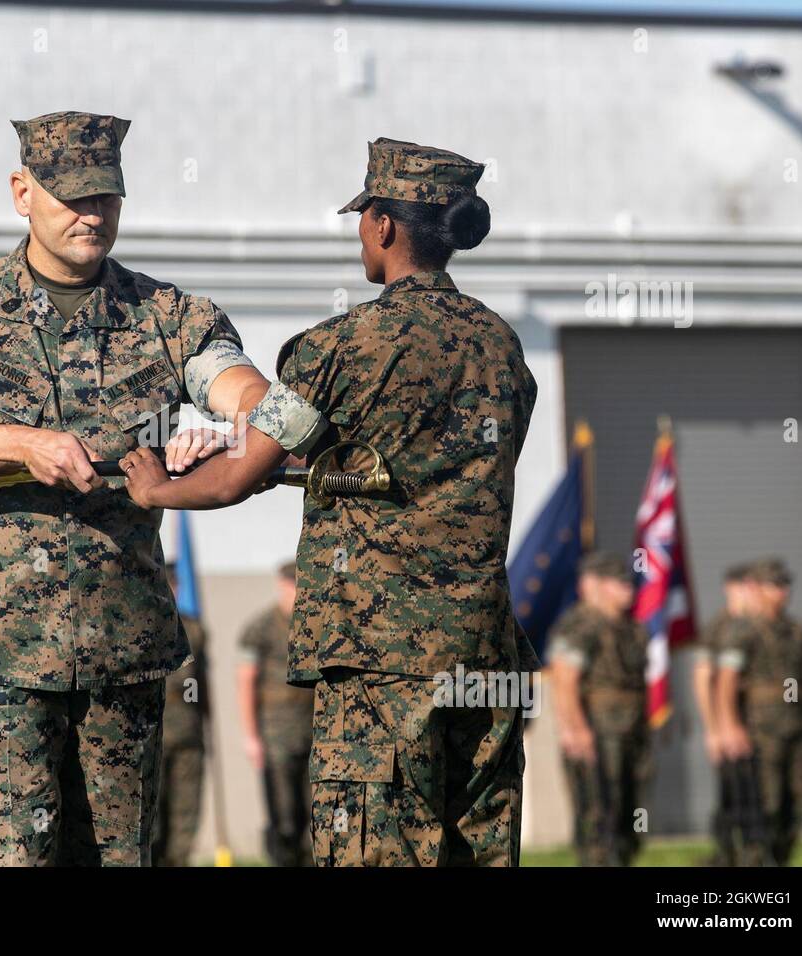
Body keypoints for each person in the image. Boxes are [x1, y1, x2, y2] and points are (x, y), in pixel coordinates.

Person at [0, 111, 271, 866]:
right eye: (72, 197)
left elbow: (250, 396)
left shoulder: (172, 317)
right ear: (22, 193)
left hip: (124, 661)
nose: (91, 215)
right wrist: (16, 442)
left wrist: (232, 429)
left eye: (106, 199)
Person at [121, 138, 537, 867]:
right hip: (485, 654)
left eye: (364, 217)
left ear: (383, 225)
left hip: (380, 664)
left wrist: (157, 487)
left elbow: (238, 477)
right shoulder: (503, 347)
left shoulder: (340, 346)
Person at [547, 552, 651, 866]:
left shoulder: (632, 627)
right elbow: (564, 679)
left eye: (629, 583)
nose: (628, 590)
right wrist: (575, 730)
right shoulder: (582, 625)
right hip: (597, 733)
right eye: (620, 584)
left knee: (630, 810)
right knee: (597, 813)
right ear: (599, 585)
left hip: (631, 732)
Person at [715, 557, 802, 866]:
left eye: (785, 585)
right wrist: (729, 726)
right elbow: (726, 681)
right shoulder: (741, 631)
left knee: (794, 804)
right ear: (756, 589)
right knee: (763, 806)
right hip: (759, 730)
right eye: (775, 585)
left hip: (794, 730)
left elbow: (801, 681)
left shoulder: (799, 632)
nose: (782, 592)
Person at [238, 560, 312, 866]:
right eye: (292, 585)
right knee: (283, 816)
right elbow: (245, 681)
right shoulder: (262, 627)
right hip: (276, 735)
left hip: (314, 732)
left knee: (317, 814)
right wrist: (251, 737)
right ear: (282, 585)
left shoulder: (315, 626)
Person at [692, 563, 753, 866]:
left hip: (757, 724)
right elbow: (704, 678)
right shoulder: (720, 627)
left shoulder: (756, 625)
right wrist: (714, 729)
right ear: (729, 589)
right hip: (729, 726)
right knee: (732, 794)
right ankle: (726, 854)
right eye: (743, 586)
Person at [153, 564, 210, 867]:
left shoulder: (195, 629)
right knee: (154, 822)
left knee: (185, 817)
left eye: (174, 583)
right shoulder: (143, 625)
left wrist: (208, 722)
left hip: (188, 736)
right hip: (153, 737)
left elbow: (203, 683)